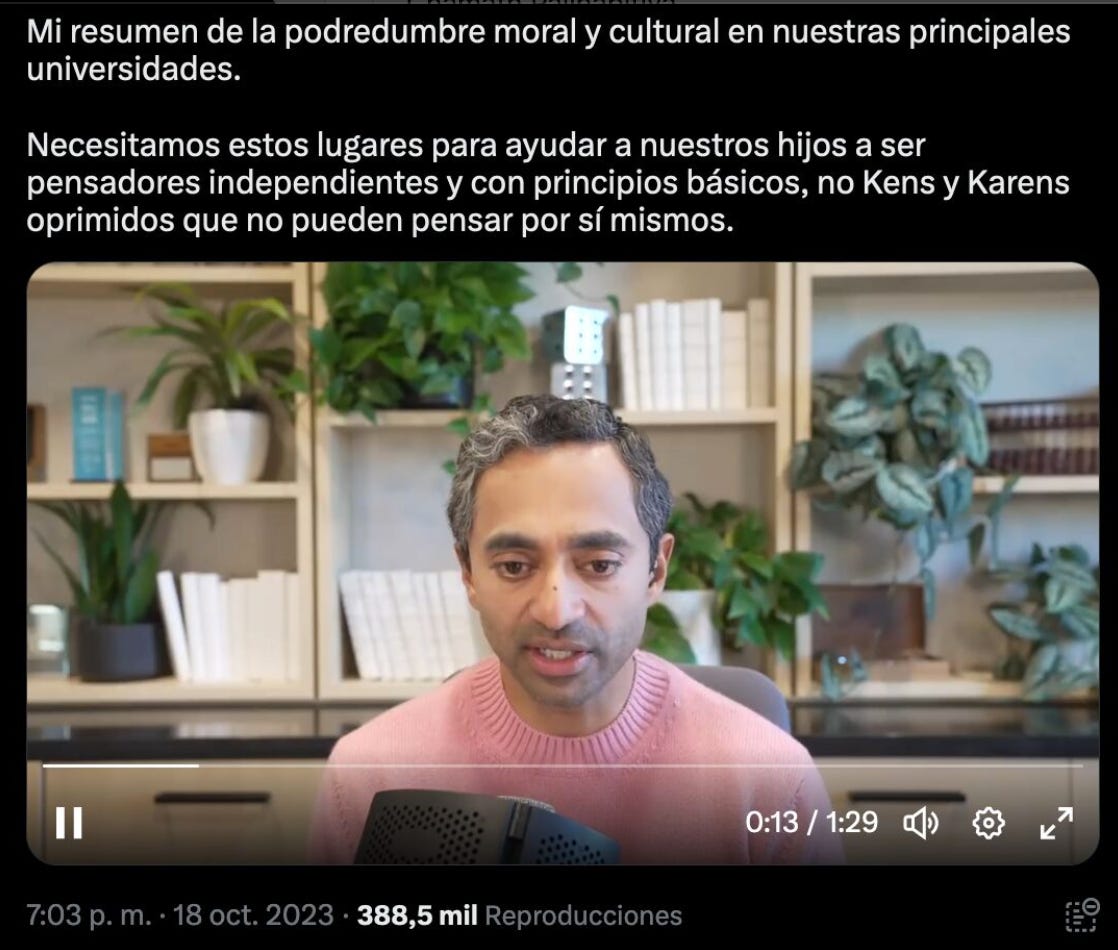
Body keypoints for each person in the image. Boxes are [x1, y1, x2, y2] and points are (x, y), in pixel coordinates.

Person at [308, 393, 843, 865]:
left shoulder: (771, 780)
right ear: (468, 573)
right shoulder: (370, 775)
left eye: (599, 565)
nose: (556, 612)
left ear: (656, 570)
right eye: (514, 566)